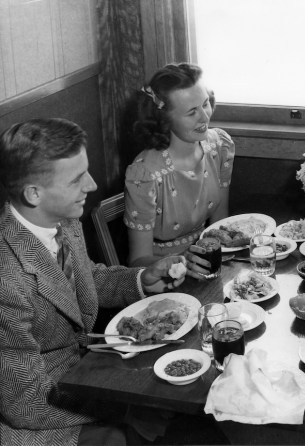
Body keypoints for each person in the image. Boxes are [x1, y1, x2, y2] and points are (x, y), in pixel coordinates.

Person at [0, 118, 186, 445]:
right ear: (33, 194)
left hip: (86, 372)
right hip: (45, 414)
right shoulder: (6, 279)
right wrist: (123, 404)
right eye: (76, 179)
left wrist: (143, 279)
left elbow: (83, 280)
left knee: (189, 415)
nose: (92, 184)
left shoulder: (62, 219)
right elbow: (24, 403)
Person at [124, 62, 235, 276]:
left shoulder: (219, 146)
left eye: (205, 104)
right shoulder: (145, 174)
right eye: (192, 112)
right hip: (164, 278)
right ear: (164, 119)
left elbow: (220, 226)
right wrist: (185, 262)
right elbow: (137, 261)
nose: (204, 116)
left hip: (208, 266)